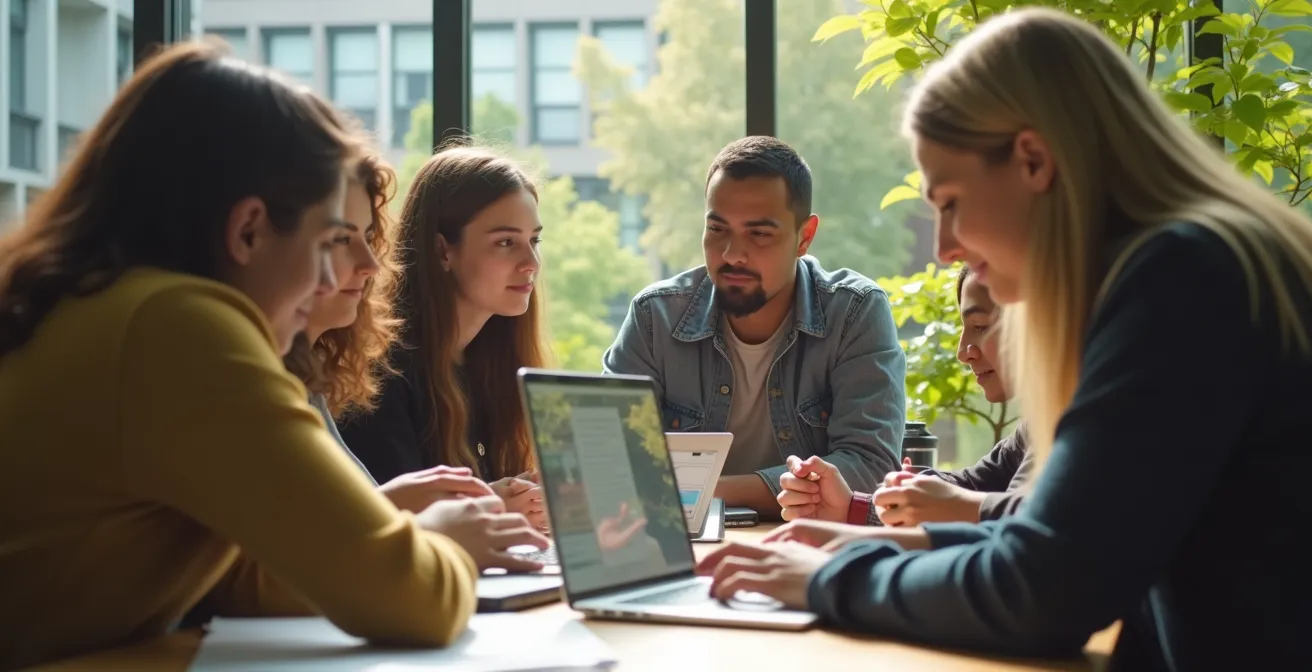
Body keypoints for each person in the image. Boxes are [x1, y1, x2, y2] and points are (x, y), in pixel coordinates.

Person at [696, 9, 1312, 669]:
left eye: (951, 203)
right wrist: (876, 546)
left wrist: (828, 580)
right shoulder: (1206, 259)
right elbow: (1072, 540)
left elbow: (1046, 589)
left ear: (1033, 160)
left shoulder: (1184, 281)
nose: (944, 249)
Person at [0, 43, 545, 670]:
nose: (350, 272)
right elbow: (413, 601)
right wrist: (447, 540)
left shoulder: (101, 308)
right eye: (329, 241)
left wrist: (401, 535)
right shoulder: (177, 326)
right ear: (248, 231)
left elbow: (240, 581)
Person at [603, 136, 906, 516]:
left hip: (804, 547)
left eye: (759, 234)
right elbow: (610, 463)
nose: (732, 255)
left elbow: (870, 468)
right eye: (717, 230)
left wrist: (704, 491)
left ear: (804, 237)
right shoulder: (655, 317)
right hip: (678, 547)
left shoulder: (854, 312)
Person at [339, 146, 549, 531]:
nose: (531, 263)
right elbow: (389, 529)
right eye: (506, 242)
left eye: (534, 240)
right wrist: (492, 507)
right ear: (442, 250)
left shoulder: (487, 366)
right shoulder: (381, 376)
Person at [283, 149, 503, 516]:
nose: (371, 264)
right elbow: (308, 544)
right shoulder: (387, 372)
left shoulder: (306, 377)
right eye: (339, 239)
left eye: (369, 237)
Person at [779, 265, 1033, 526]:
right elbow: (975, 485)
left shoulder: (1070, 422)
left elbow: (1020, 529)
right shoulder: (1034, 428)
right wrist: (854, 506)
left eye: (980, 326)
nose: (962, 353)